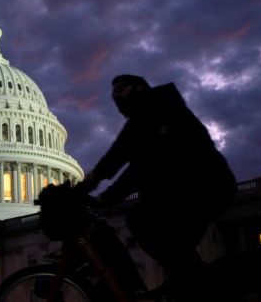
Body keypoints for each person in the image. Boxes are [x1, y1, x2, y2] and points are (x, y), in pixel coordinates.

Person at [76, 74, 246, 301]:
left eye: (121, 88)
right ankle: (188, 284)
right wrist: (95, 190)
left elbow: (133, 158)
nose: (115, 94)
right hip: (188, 190)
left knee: (141, 219)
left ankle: (189, 282)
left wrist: (97, 190)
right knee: (174, 251)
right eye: (113, 91)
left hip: (206, 187)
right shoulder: (143, 121)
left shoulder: (160, 107)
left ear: (139, 88)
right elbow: (126, 160)